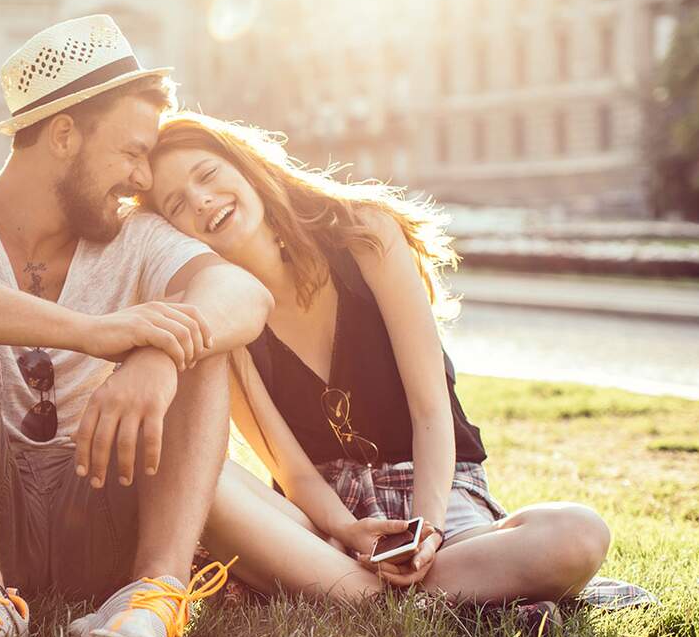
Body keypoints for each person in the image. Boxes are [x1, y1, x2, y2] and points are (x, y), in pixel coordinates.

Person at [0, 17, 270, 637]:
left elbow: (241, 293)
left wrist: (156, 356)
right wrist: (92, 332)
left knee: (197, 336)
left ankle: (152, 598)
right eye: (132, 152)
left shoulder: (136, 235)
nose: (141, 178)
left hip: (95, 510)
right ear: (64, 134)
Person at [141, 111, 614, 611]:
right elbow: (293, 473)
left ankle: (360, 596)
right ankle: (423, 596)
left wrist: (424, 531)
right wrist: (349, 530)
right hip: (324, 520)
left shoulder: (365, 235)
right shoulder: (224, 312)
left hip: (433, 491)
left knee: (577, 535)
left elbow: (430, 410)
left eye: (207, 174)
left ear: (244, 165)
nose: (201, 200)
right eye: (177, 204)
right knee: (194, 471)